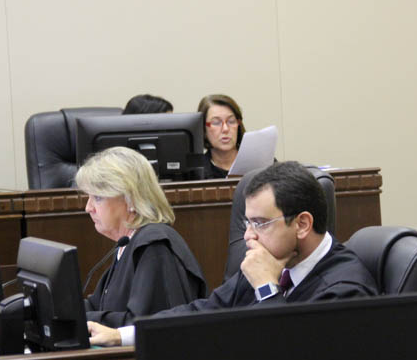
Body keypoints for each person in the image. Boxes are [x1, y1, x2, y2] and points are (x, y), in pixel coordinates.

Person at [86, 160, 377, 346]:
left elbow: (291, 356)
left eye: (260, 223)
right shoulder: (273, 264)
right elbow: (202, 312)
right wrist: (121, 335)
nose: (248, 236)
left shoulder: (345, 290)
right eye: (247, 223)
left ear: (302, 224)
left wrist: (267, 288)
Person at [76, 146, 207, 328]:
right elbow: (97, 305)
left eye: (98, 198)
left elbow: (146, 324)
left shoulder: (154, 247)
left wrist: (87, 319)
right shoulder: (128, 243)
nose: (88, 208)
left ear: (130, 199)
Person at [197, 94, 246, 178]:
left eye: (231, 121)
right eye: (216, 122)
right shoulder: (197, 172)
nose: (225, 129)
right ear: (204, 130)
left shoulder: (257, 163)